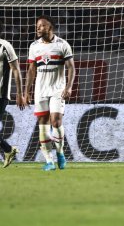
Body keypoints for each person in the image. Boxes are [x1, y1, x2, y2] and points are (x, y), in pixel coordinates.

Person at [24, 15, 75, 171]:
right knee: (43, 126)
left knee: (56, 122)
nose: (38, 28)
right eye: (37, 26)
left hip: (57, 89)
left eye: (42, 25)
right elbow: (31, 70)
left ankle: (60, 152)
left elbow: (71, 68)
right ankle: (49, 161)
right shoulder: (34, 46)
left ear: (50, 27)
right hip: (40, 90)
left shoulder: (62, 44)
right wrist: (27, 91)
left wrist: (69, 87)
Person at [0, 20, 26, 168]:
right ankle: (8, 150)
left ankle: (8, 150)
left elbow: (16, 69)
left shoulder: (5, 45)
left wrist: (20, 93)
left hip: (1, 94)